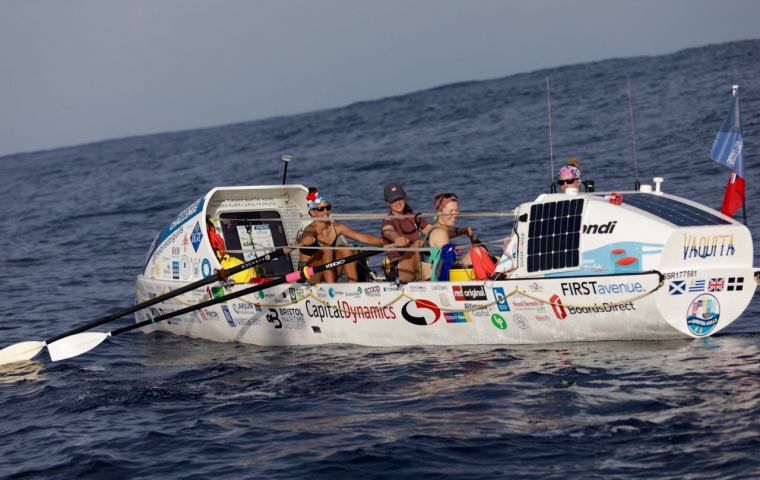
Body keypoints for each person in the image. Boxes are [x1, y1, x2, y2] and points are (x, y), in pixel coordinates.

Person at [298, 187, 399, 283]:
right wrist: (307, 238)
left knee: (345, 248)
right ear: (313, 212)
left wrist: (389, 241)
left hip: (328, 269)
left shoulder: (336, 227)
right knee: (327, 250)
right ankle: (330, 288)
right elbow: (307, 234)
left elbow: (362, 237)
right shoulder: (311, 229)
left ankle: (353, 286)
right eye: (321, 209)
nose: (326, 212)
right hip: (308, 274)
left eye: (328, 207)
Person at [420, 193, 477, 281]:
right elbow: (447, 266)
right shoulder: (440, 233)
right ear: (440, 212)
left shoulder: (437, 229)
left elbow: (451, 233)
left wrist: (464, 230)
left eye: (456, 210)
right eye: (451, 211)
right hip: (435, 283)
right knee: (477, 251)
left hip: (433, 278)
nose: (455, 215)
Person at [380, 183, 430, 282]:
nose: (398, 203)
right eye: (393, 200)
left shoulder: (413, 217)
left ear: (405, 197)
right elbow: (388, 231)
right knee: (418, 243)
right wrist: (397, 239)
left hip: (416, 262)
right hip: (397, 267)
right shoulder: (388, 220)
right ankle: (426, 281)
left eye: (399, 198)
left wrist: (458, 231)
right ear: (387, 203)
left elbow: (432, 230)